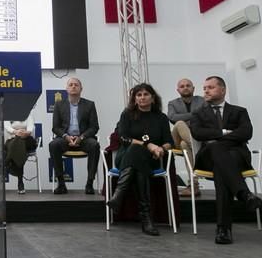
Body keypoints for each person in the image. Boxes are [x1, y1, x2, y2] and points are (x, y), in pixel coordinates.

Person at [189, 76, 262, 244]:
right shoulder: (198, 113)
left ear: (223, 90)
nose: (206, 90)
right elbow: (198, 133)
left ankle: (223, 229)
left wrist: (217, 139)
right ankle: (244, 194)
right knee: (215, 149)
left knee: (221, 171)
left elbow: (246, 132)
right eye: (204, 87)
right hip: (208, 156)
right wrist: (225, 133)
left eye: (211, 87)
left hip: (236, 155)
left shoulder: (239, 111)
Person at [108, 83, 172, 236]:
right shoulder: (127, 114)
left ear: (153, 98)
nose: (142, 98)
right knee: (137, 150)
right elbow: (123, 138)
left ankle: (119, 195)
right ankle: (146, 219)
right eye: (139, 95)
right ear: (135, 99)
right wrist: (148, 145)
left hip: (152, 158)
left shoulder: (161, 118)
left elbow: (169, 141)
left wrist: (161, 149)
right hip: (125, 156)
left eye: (145, 94)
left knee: (139, 166)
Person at [48, 77, 101, 194]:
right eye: (70, 85)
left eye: (76, 85)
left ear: (81, 89)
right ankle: (61, 184)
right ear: (66, 89)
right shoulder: (59, 105)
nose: (73, 86)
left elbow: (94, 127)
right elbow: (55, 127)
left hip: (83, 139)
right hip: (65, 139)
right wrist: (66, 136)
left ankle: (89, 183)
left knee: (95, 145)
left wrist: (81, 138)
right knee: (53, 145)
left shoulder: (90, 105)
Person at [166, 78, 205, 197]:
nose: (185, 87)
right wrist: (194, 115)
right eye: (182, 86)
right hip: (176, 138)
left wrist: (183, 116)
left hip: (191, 138)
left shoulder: (202, 100)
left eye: (188, 85)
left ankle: (194, 185)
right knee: (179, 124)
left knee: (185, 145)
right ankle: (198, 149)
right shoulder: (173, 103)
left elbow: (206, 116)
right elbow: (172, 117)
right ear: (178, 90)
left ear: (193, 88)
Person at [4, 112, 35, 194]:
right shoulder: (8, 114)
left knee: (19, 143)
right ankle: (20, 182)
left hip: (27, 140)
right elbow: (7, 127)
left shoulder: (27, 114)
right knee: (18, 146)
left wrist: (25, 133)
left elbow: (30, 128)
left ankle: (6, 162)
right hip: (12, 141)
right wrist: (16, 132)